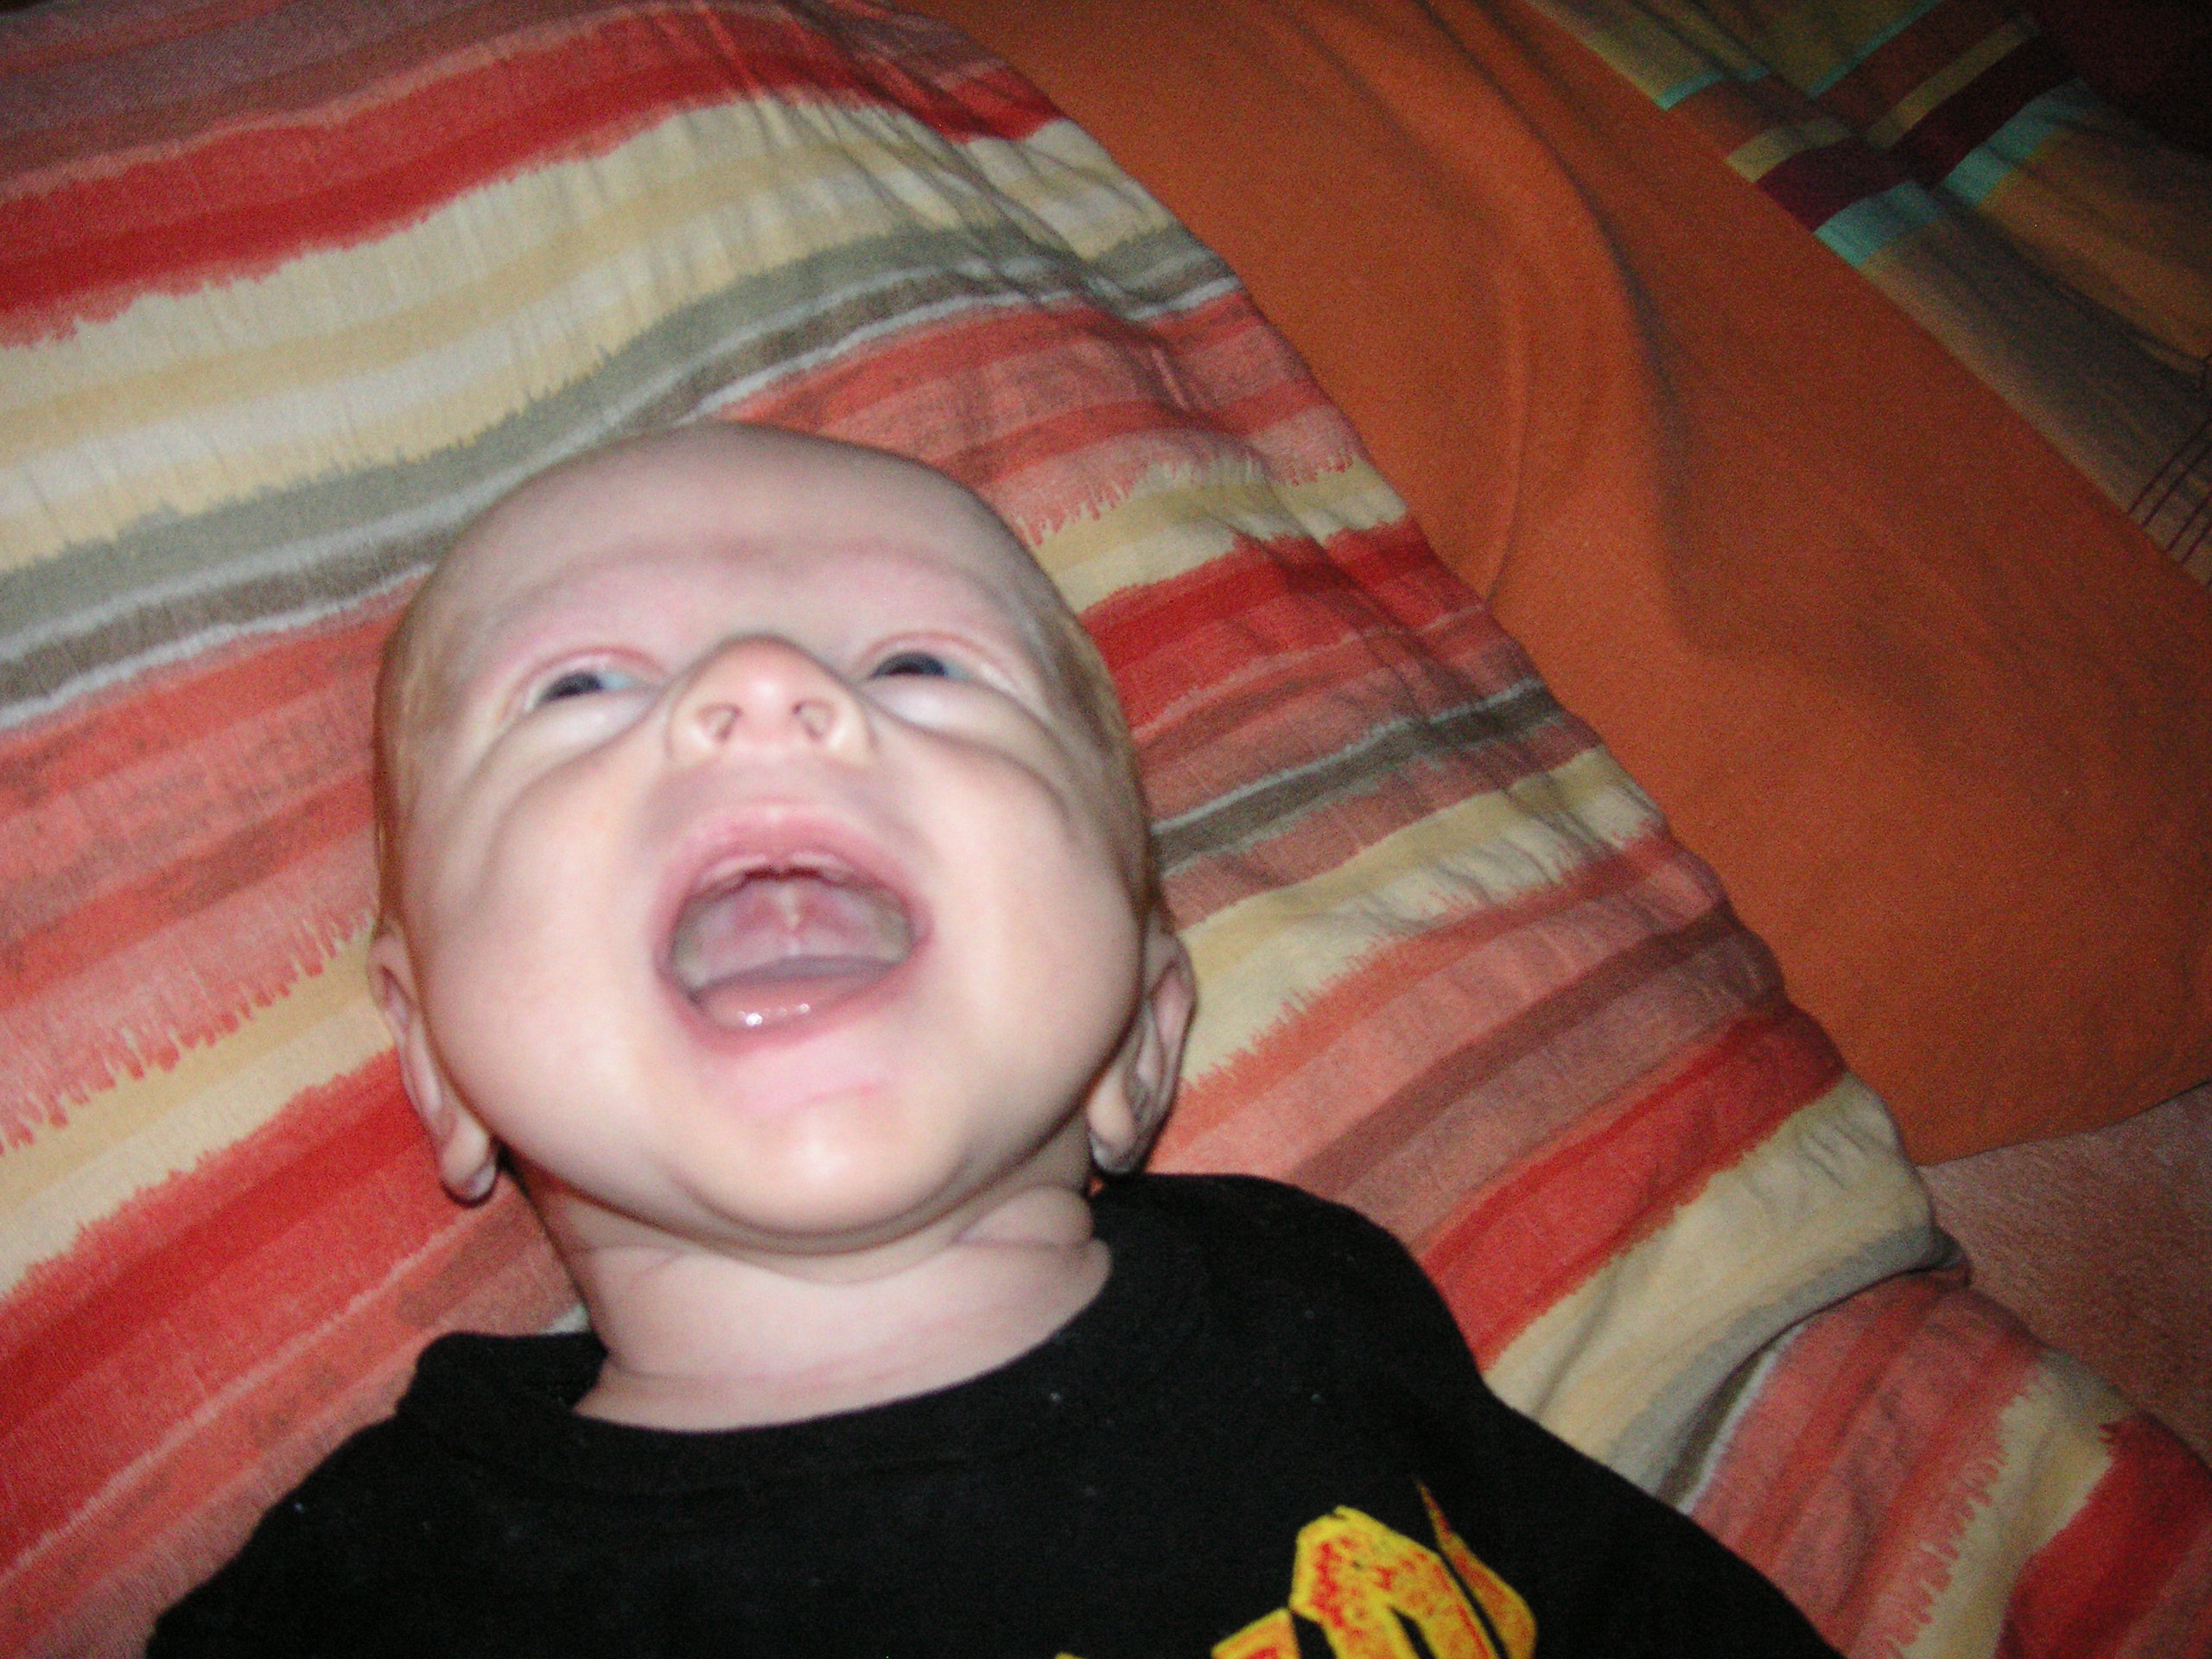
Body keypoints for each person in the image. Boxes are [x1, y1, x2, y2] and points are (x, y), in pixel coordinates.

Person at [152, 424, 1838, 1657]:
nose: (762, 686)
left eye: (918, 664)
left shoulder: (1308, 1304)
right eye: (579, 688)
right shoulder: (371, 1597)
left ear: (1141, 1037)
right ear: (433, 1062)